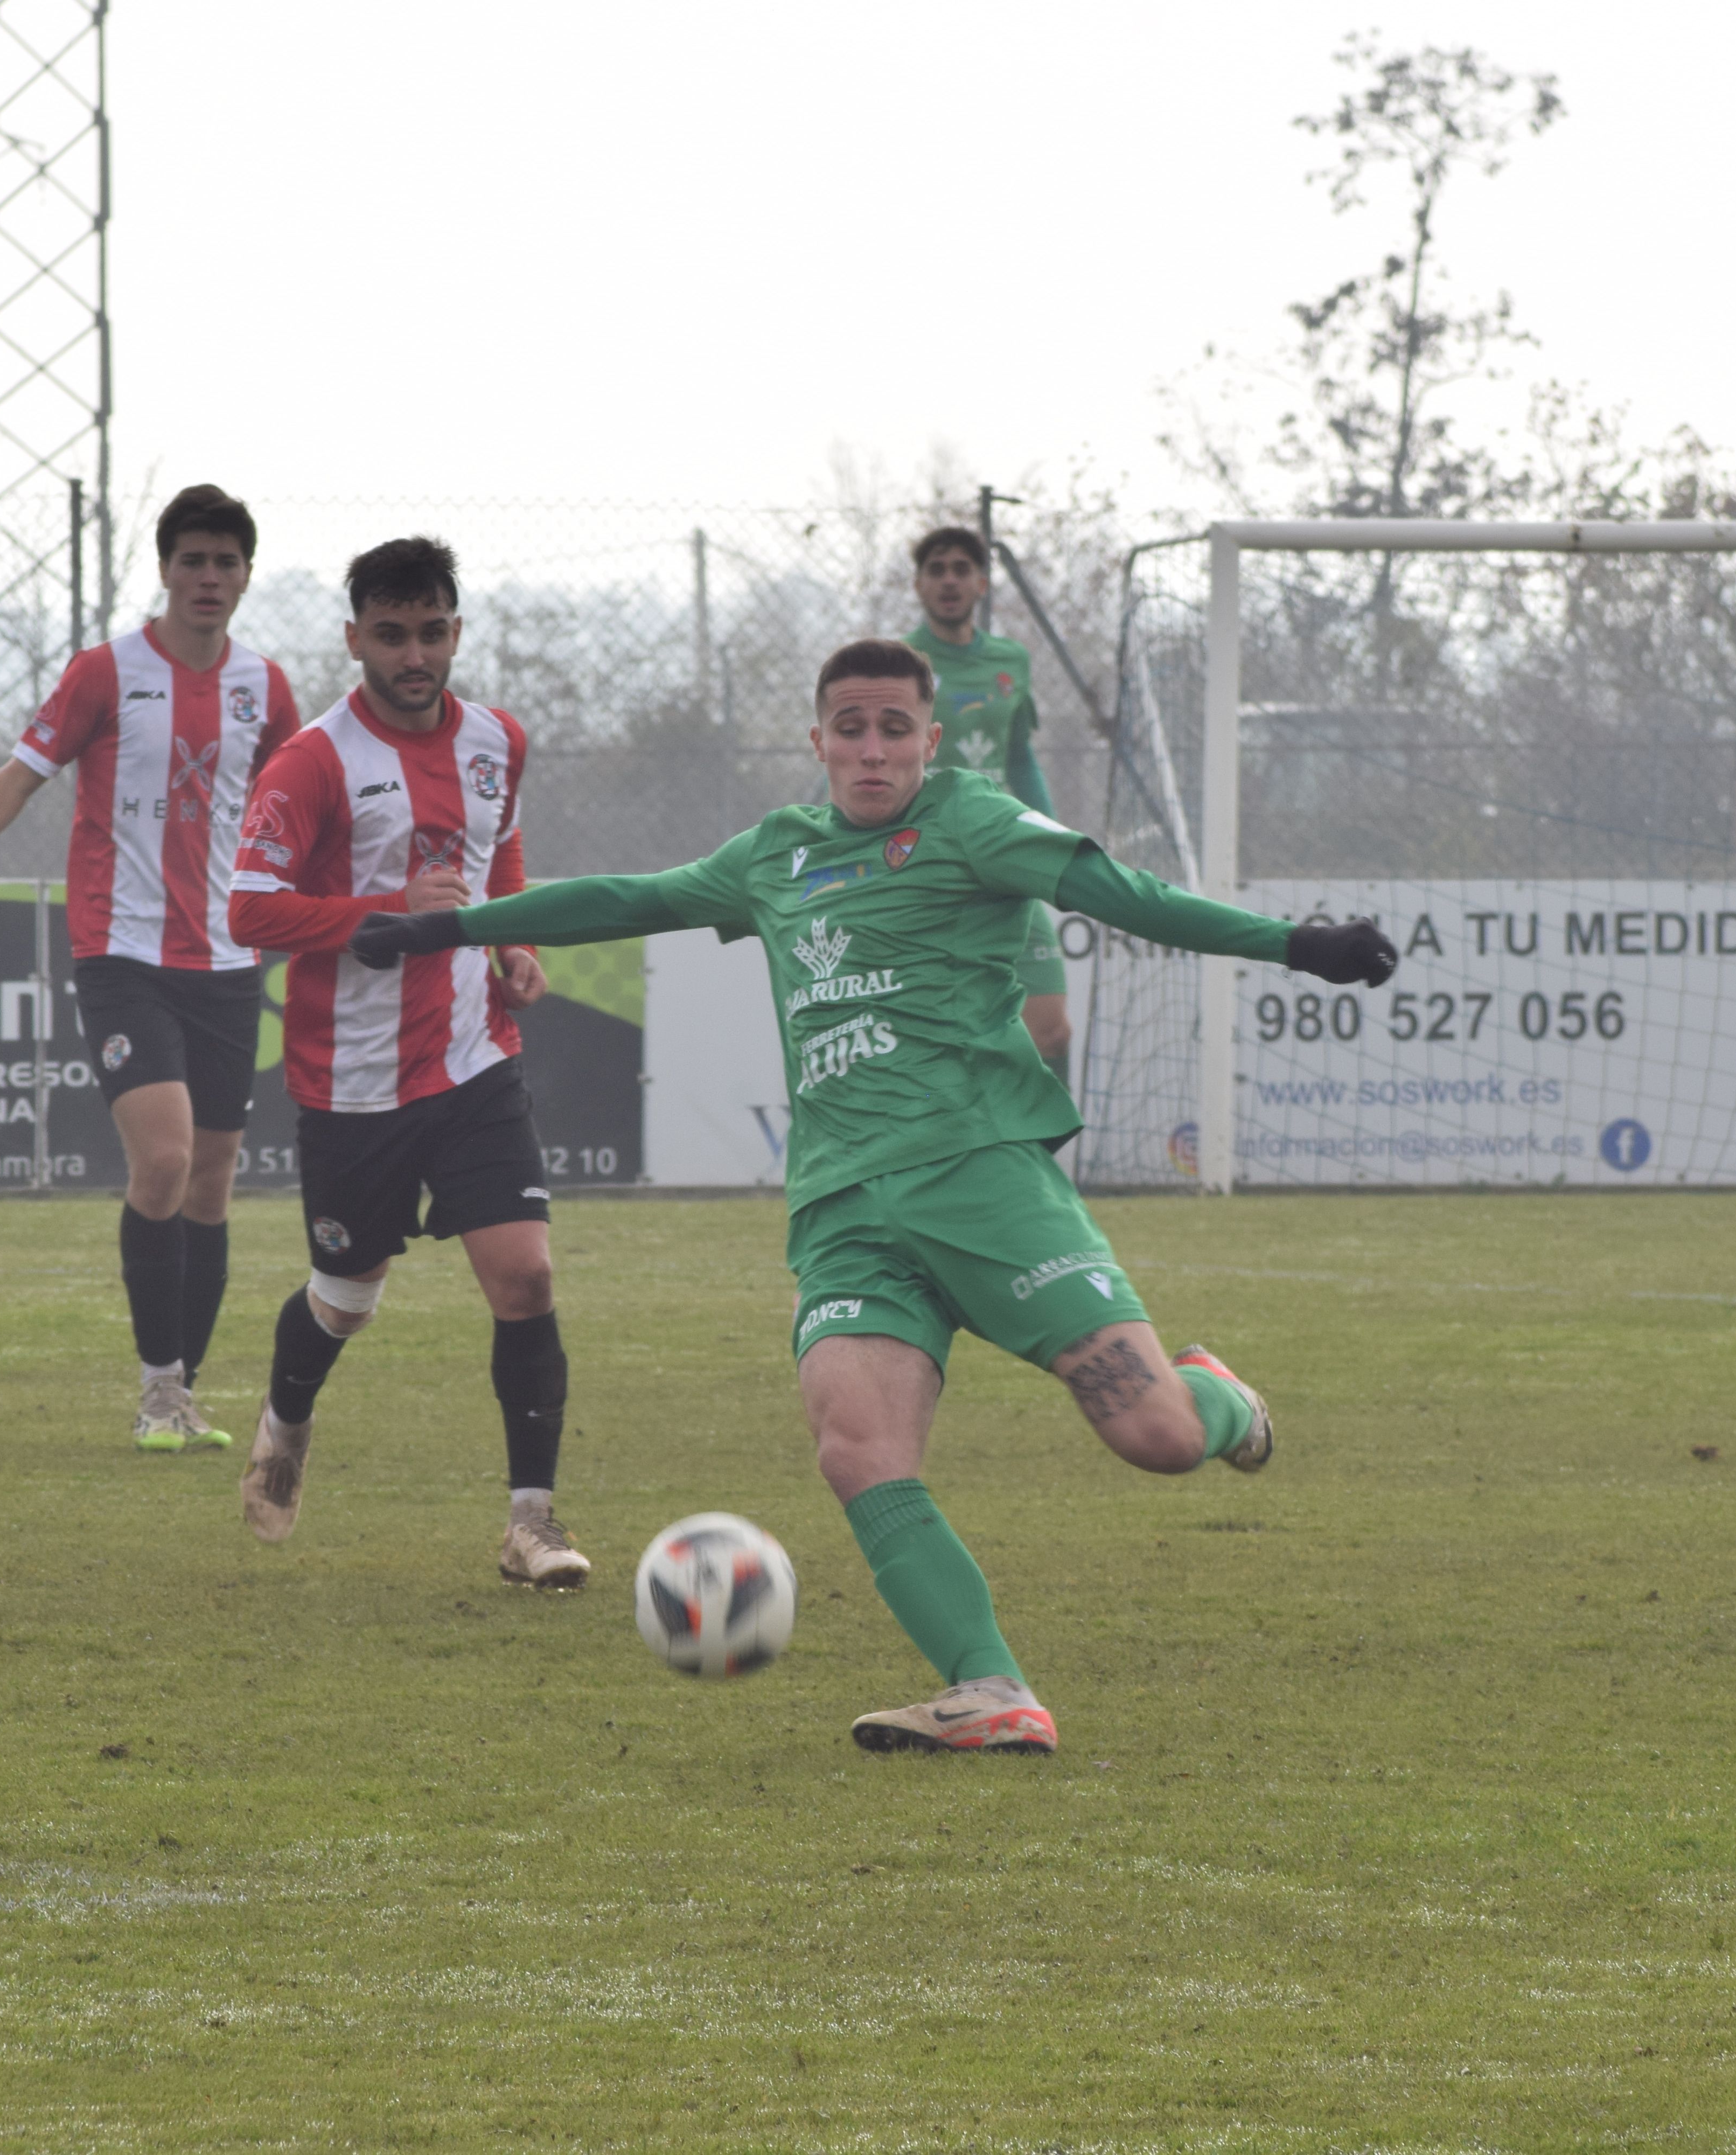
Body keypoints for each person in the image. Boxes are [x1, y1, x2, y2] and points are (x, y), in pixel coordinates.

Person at [354, 638, 1397, 1750]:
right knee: (857, 1448)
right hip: (846, 1212)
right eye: (850, 726)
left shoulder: (976, 820)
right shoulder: (777, 854)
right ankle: (992, 1687)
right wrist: (450, 926)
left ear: (929, 739)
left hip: (984, 1178)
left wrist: (1296, 944)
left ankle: (1220, 1397)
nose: (872, 748)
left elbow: (1121, 893)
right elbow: (630, 898)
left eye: (895, 727)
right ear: (818, 740)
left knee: (1159, 1437)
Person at [0, 485, 297, 1451]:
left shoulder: (266, 689)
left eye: (227, 563)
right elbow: (20, 775)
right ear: (165, 568)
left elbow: (304, 805)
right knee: (167, 1160)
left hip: (230, 958)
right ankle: (156, 1390)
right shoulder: (107, 673)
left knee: (215, 1181)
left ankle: (185, 1390)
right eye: (193, 560)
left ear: (246, 576)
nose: (209, 579)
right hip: (122, 955)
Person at [222, 535, 590, 1590]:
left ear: (457, 632)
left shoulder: (498, 741)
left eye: (432, 631)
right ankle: (286, 1420)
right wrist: (384, 914)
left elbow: (496, 852)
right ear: (355, 640)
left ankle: (533, 1523)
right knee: (345, 1295)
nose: (414, 653)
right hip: (351, 1081)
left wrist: (511, 941)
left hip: (476, 1064)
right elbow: (250, 907)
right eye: (391, 634)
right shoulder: (313, 761)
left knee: (525, 1275)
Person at [909, 527, 1072, 1081]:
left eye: (961, 568)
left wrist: (1052, 838)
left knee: (1050, 1032)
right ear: (919, 584)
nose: (949, 579)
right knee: (937, 1046)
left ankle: (1036, 1170)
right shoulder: (901, 663)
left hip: (1004, 857)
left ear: (981, 583)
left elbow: (1020, 757)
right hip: (928, 864)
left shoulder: (1011, 661)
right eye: (937, 569)